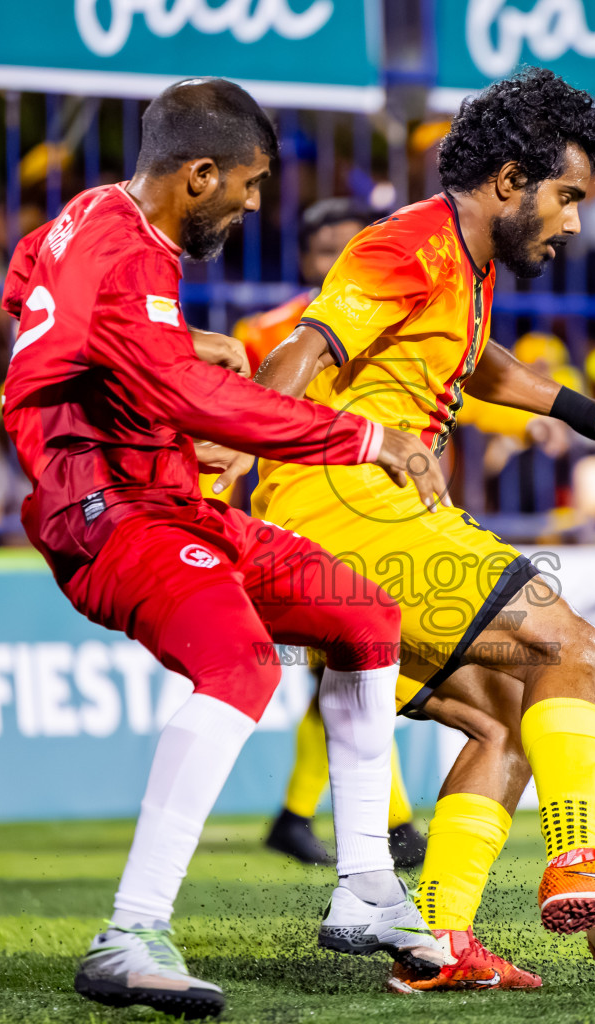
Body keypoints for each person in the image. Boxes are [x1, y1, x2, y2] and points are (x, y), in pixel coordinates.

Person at [233, 69, 595, 992]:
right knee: (571, 648)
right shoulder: (407, 242)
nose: (573, 221)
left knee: (506, 720)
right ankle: (579, 861)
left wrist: (582, 411)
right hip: (351, 514)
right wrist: (231, 448)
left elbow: (476, 360)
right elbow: (305, 347)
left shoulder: (463, 262)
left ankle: (442, 941)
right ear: (509, 180)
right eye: (567, 196)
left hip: (364, 525)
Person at [0, 78, 452, 1019]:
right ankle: (131, 933)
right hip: (106, 510)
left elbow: (25, 284)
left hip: (165, 495)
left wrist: (173, 342)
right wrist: (366, 436)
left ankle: (367, 886)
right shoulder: (130, 251)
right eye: (248, 186)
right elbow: (190, 400)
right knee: (242, 663)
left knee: (365, 618)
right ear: (199, 175)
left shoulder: (91, 216)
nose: (251, 206)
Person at [236, 197, 428, 870]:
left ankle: (299, 816)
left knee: (353, 668)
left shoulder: (395, 324)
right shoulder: (265, 332)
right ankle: (394, 826)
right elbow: (237, 418)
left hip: (379, 511)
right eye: (324, 251)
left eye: (346, 250)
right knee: (360, 663)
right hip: (305, 517)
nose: (334, 263)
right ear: (304, 258)